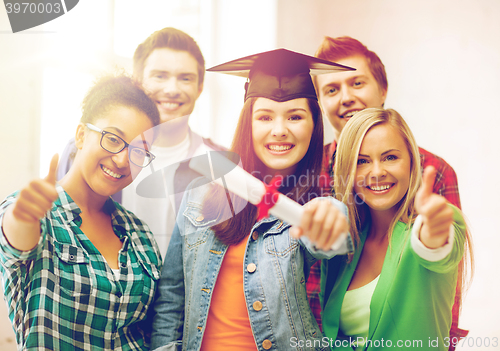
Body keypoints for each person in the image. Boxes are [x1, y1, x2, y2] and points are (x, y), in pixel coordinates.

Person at [150, 49, 353, 351]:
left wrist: (330, 221)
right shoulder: (201, 192)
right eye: (265, 117)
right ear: (249, 123)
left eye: (295, 116)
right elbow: (172, 296)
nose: (279, 130)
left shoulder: (323, 197)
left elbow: (327, 231)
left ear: (314, 124)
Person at [306, 36, 465, 345]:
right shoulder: (310, 173)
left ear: (382, 89)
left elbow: (441, 277)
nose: (346, 97)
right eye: (332, 89)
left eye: (357, 83)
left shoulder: (434, 171)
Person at [0, 75, 163, 350]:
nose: (123, 160)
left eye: (138, 152)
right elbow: (15, 240)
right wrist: (23, 216)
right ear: (81, 135)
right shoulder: (39, 215)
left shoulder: (141, 235)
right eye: (113, 139)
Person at [57, 27, 223, 259]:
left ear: (200, 88)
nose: (172, 89)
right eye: (160, 76)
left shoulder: (219, 165)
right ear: (138, 81)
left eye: (185, 78)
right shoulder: (83, 151)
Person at [320, 108, 473, 350]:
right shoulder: (350, 244)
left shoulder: (424, 230)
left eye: (390, 157)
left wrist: (432, 229)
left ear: (412, 162)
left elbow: (438, 246)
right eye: (362, 161)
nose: (378, 172)